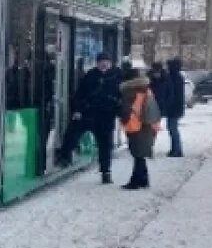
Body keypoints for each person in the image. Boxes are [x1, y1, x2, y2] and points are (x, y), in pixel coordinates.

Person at [57, 51, 121, 184]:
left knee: (105, 145)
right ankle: (65, 157)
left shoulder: (117, 76)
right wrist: (77, 110)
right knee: (72, 133)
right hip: (88, 114)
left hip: (106, 117)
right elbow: (80, 94)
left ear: (110, 63)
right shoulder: (90, 75)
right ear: (97, 63)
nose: (103, 64)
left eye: (106, 61)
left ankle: (105, 172)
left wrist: (117, 109)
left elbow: (122, 96)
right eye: (101, 61)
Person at [118, 71, 161, 190]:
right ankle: (143, 180)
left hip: (135, 125)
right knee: (140, 154)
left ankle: (135, 181)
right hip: (147, 125)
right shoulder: (146, 90)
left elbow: (126, 110)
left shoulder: (129, 91)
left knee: (137, 154)